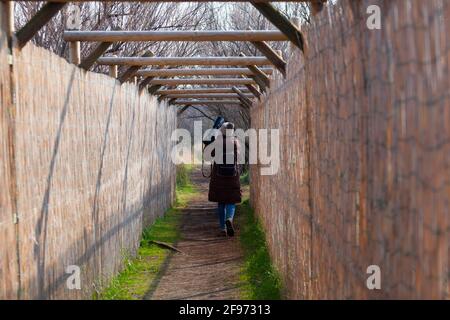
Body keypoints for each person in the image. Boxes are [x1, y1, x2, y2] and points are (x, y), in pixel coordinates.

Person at [208, 122, 242, 237]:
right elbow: (240, 157)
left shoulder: (217, 141)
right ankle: (229, 219)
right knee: (231, 201)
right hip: (233, 176)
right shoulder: (235, 141)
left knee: (221, 202)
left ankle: (222, 228)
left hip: (219, 176)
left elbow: (210, 154)